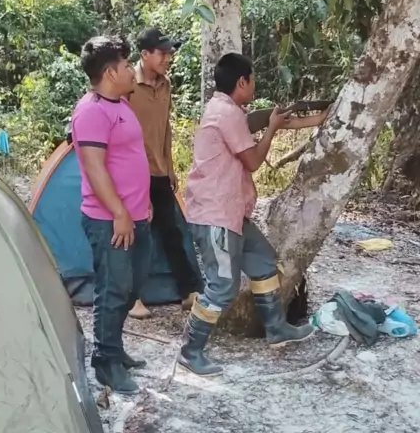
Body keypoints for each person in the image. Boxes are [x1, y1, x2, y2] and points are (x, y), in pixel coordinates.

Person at [180, 52, 329, 377]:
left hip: (230, 212)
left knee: (263, 261)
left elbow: (277, 122)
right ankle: (190, 350)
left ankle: (276, 328)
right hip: (216, 214)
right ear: (242, 81)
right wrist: (272, 128)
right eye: (253, 80)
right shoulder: (227, 114)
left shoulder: (227, 110)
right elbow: (253, 161)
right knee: (222, 286)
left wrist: (320, 118)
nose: (255, 85)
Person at [71, 35, 152, 395]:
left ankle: (115, 349)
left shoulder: (120, 104)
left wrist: (142, 205)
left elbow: (130, 157)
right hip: (110, 221)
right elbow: (94, 167)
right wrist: (119, 211)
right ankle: (105, 362)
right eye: (126, 64)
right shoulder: (91, 111)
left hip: (136, 216)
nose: (132, 70)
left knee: (133, 285)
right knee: (113, 289)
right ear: (109, 72)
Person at [128, 26, 201, 320]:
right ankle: (132, 297)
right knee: (136, 235)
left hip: (158, 170)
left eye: (169, 53)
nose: (168, 58)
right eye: (162, 53)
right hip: (133, 173)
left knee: (171, 231)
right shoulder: (127, 85)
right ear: (145, 54)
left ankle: (188, 291)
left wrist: (169, 166)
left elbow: (165, 127)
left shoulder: (166, 84)